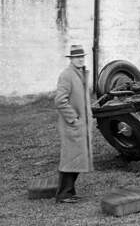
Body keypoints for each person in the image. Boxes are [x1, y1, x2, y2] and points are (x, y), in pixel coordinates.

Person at [54, 44, 94, 203]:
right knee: (70, 159)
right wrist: (73, 119)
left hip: (81, 124)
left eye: (82, 57)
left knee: (77, 158)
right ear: (71, 59)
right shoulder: (67, 75)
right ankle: (63, 194)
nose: (80, 60)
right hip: (73, 125)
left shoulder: (80, 73)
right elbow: (60, 101)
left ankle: (68, 192)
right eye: (77, 57)